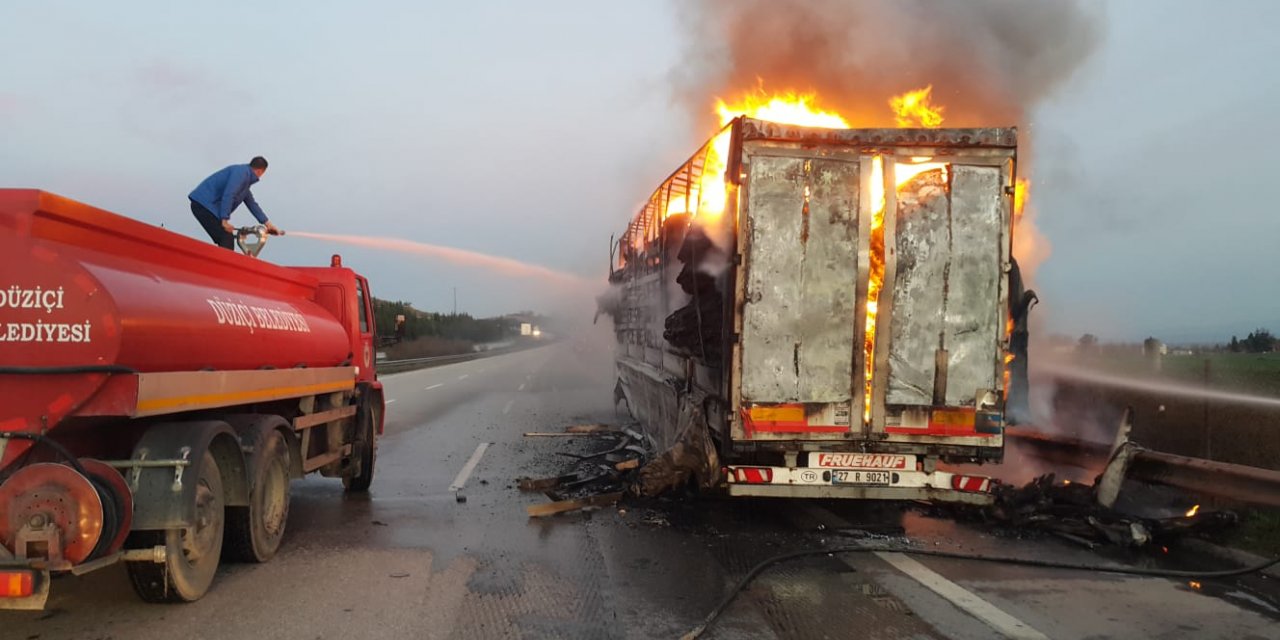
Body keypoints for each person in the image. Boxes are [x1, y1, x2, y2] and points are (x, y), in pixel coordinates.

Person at [188, 156, 283, 249]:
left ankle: (222, 258)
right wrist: (224, 220)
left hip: (208, 207)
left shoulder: (244, 181)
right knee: (226, 237)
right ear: (260, 171)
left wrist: (268, 225)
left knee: (226, 237)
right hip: (203, 205)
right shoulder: (241, 173)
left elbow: (252, 204)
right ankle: (222, 260)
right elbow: (229, 194)